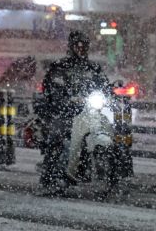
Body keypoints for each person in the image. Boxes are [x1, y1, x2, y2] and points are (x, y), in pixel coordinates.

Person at [38, 30, 110, 194]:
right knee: (58, 136)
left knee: (108, 132)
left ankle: (111, 173)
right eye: (77, 45)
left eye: (83, 46)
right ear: (71, 47)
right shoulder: (60, 66)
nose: (80, 49)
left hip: (88, 112)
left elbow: (104, 85)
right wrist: (62, 98)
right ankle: (50, 175)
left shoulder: (93, 68)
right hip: (65, 112)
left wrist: (109, 93)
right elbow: (51, 87)